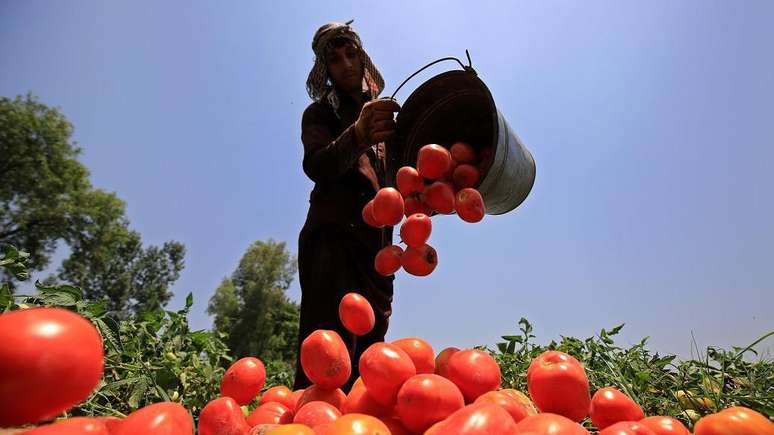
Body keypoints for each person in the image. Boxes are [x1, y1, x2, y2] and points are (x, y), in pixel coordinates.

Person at [293, 20, 401, 392]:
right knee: (327, 352)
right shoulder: (320, 115)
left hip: (377, 255)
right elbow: (317, 165)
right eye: (335, 59)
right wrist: (356, 134)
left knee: (370, 357)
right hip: (333, 245)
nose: (346, 64)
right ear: (326, 72)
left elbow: (402, 186)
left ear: (363, 58)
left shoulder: (387, 126)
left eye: (351, 54)